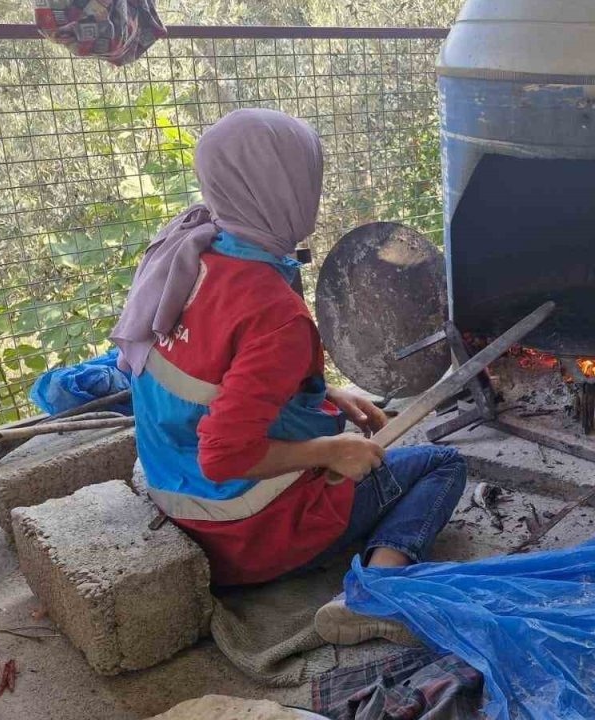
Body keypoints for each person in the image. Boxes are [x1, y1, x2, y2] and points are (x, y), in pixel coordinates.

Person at [110, 108, 466, 646]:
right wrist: (329, 451)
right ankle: (377, 593)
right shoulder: (274, 312)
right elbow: (224, 455)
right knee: (442, 464)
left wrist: (319, 392)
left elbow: (217, 377)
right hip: (243, 532)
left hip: (174, 492)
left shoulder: (188, 252)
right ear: (288, 188)